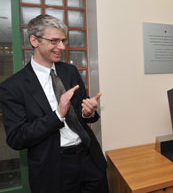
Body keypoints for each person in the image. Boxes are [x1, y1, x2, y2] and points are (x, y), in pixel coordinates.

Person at [0, 14, 108, 193]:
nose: (62, 47)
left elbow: (83, 112)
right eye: (54, 41)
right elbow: (16, 138)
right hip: (53, 171)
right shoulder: (12, 87)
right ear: (34, 40)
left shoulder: (70, 71)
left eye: (63, 41)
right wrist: (58, 114)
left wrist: (87, 112)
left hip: (90, 160)